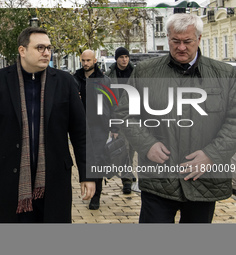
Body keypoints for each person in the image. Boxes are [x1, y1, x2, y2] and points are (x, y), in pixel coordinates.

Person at [114, 13, 236, 223]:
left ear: (198, 39)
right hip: (158, 180)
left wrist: (212, 154)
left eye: (187, 41)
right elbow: (125, 114)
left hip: (203, 180)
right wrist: (147, 144)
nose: (181, 47)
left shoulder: (225, 75)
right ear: (168, 37)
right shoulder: (145, 72)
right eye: (175, 41)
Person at [0, 27, 95, 223]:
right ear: (22, 50)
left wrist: (87, 174)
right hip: (7, 179)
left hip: (53, 180)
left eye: (48, 48)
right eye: (40, 47)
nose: (46, 52)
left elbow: (80, 133)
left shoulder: (64, 82)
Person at [74, 49, 112, 210]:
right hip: (81, 125)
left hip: (99, 125)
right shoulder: (75, 79)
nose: (85, 64)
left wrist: (114, 127)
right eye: (83, 60)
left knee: (97, 159)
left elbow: (112, 104)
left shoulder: (104, 80)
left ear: (95, 60)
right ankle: (88, 187)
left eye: (88, 60)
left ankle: (96, 195)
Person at [106, 47, 135, 195]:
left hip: (135, 115)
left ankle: (128, 173)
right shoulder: (110, 75)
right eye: (121, 57)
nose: (124, 59)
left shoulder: (136, 73)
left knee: (133, 147)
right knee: (125, 148)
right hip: (119, 116)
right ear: (116, 58)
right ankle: (127, 180)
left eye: (126, 57)